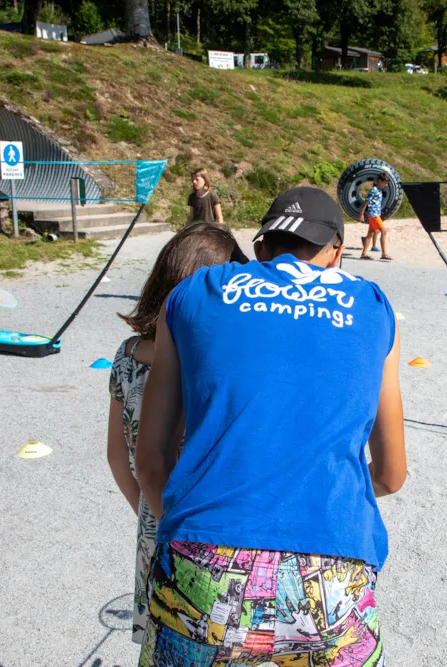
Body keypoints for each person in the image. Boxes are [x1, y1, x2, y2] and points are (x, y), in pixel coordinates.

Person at [135, 186, 407, 666]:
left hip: (202, 556)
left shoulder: (194, 293)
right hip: (333, 569)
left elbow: (151, 461)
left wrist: (187, 523)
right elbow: (390, 474)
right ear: (337, 253)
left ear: (260, 248)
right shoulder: (372, 305)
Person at [106, 223, 244, 646]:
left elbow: (117, 457)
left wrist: (151, 515)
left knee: (165, 644)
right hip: (212, 534)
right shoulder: (211, 362)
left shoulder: (128, 354)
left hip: (156, 524)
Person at [360, 173, 392, 260]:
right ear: (380, 181)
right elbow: (366, 202)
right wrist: (361, 214)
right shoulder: (374, 190)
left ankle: (364, 254)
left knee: (370, 234)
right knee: (384, 232)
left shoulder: (379, 190)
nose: (386, 185)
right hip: (373, 215)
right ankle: (384, 254)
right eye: (385, 183)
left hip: (376, 214)